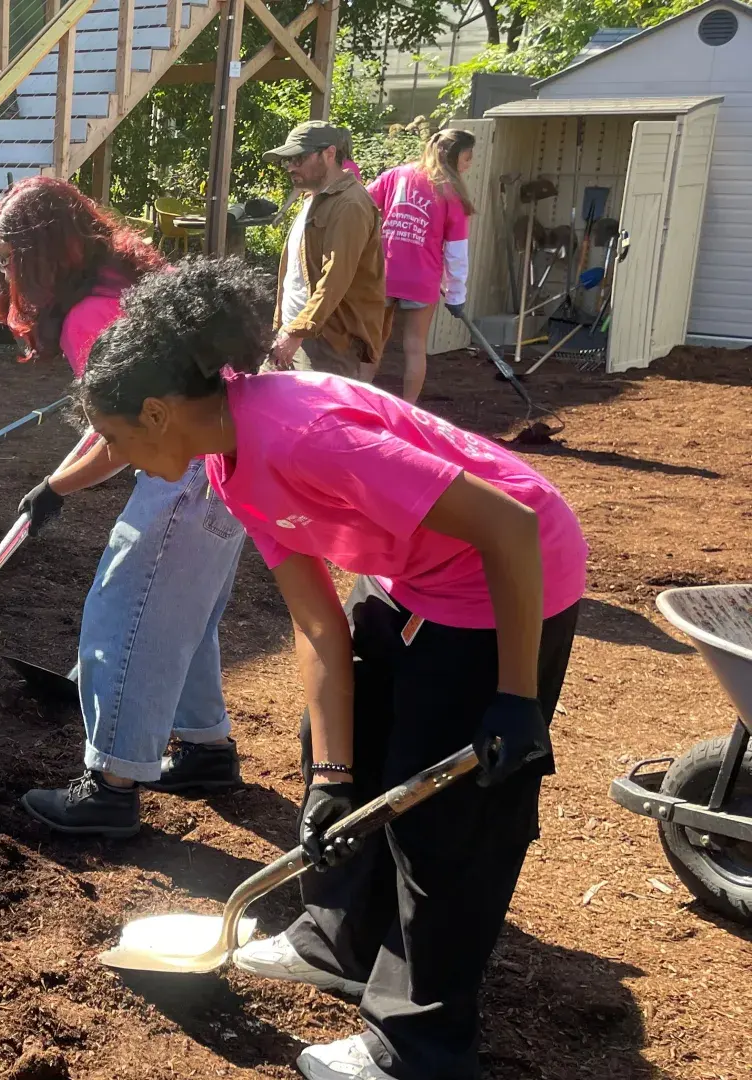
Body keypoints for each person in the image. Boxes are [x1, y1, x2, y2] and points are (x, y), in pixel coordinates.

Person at [75, 257, 587, 1080]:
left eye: (117, 434)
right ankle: (336, 940)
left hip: (503, 583)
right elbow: (317, 625)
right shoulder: (227, 462)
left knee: (446, 826)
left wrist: (515, 696)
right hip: (409, 573)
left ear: (160, 412)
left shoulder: (306, 434)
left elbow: (513, 525)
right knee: (349, 745)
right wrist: (329, 779)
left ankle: (417, 1045)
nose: (118, 455)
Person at [0, 178, 246, 838]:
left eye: (14, 257)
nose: (8, 271)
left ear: (45, 254)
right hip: (229, 462)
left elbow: (131, 433)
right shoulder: (122, 283)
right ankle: (205, 748)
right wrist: (56, 479)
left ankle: (111, 786)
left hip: (185, 470)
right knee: (183, 614)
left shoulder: (89, 315)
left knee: (125, 608)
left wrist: (60, 489)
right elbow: (111, 417)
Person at [263, 121, 389, 382]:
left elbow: (335, 278)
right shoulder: (314, 197)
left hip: (327, 344)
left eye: (299, 158)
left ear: (329, 154)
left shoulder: (350, 205)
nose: (290, 166)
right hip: (297, 334)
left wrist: (297, 332)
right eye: (288, 160)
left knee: (318, 421)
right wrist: (284, 327)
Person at [369, 128, 476, 404]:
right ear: (453, 157)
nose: (470, 163)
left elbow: (362, 203)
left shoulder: (396, 175)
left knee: (371, 344)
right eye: (467, 157)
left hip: (385, 274)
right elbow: (456, 253)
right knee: (415, 347)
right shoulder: (453, 195)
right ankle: (408, 409)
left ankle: (358, 399)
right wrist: (456, 295)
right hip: (422, 279)